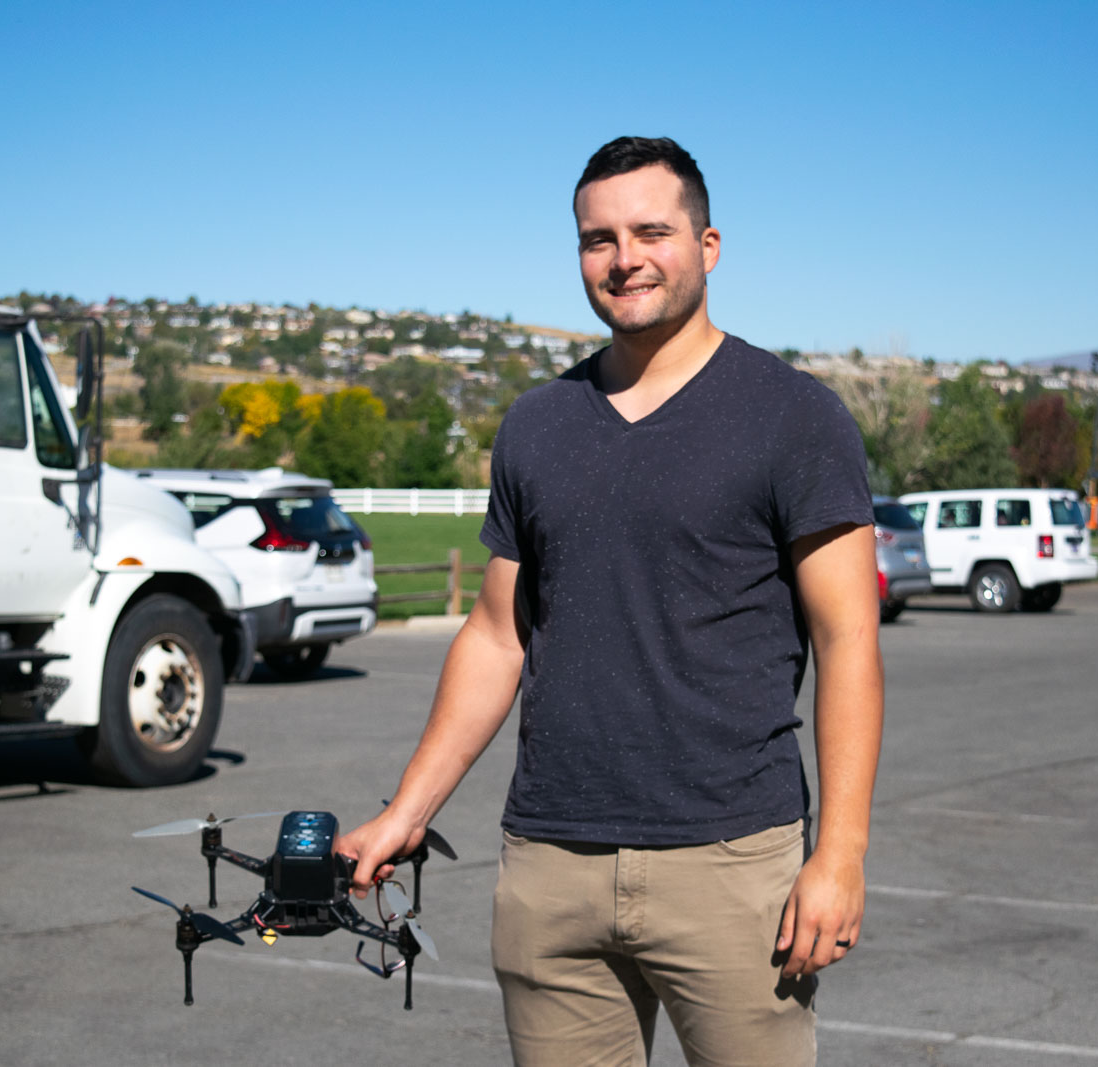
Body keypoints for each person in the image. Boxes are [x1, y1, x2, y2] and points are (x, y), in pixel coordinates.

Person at [336, 136, 883, 1066]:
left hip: (732, 860)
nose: (625, 257)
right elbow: (497, 636)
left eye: (651, 231)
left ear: (708, 247)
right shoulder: (536, 426)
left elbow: (849, 644)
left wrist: (839, 855)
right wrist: (407, 811)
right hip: (552, 863)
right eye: (599, 239)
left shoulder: (796, 417)